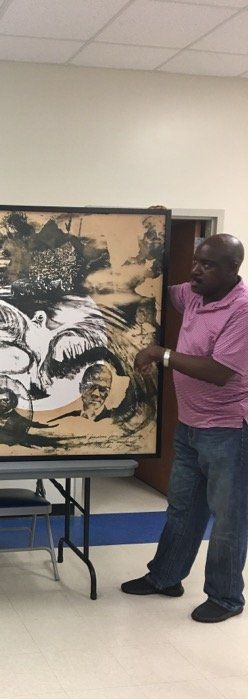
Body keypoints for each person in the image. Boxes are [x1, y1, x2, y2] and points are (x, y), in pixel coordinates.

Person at [122, 234, 248, 623]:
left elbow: (219, 372)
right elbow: (146, 284)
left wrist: (162, 355)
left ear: (232, 270)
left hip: (229, 430)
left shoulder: (241, 311)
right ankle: (165, 577)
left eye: (208, 264)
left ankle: (226, 598)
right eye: (196, 261)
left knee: (229, 518)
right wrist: (148, 235)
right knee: (183, 507)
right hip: (191, 424)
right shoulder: (194, 294)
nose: (196, 269)